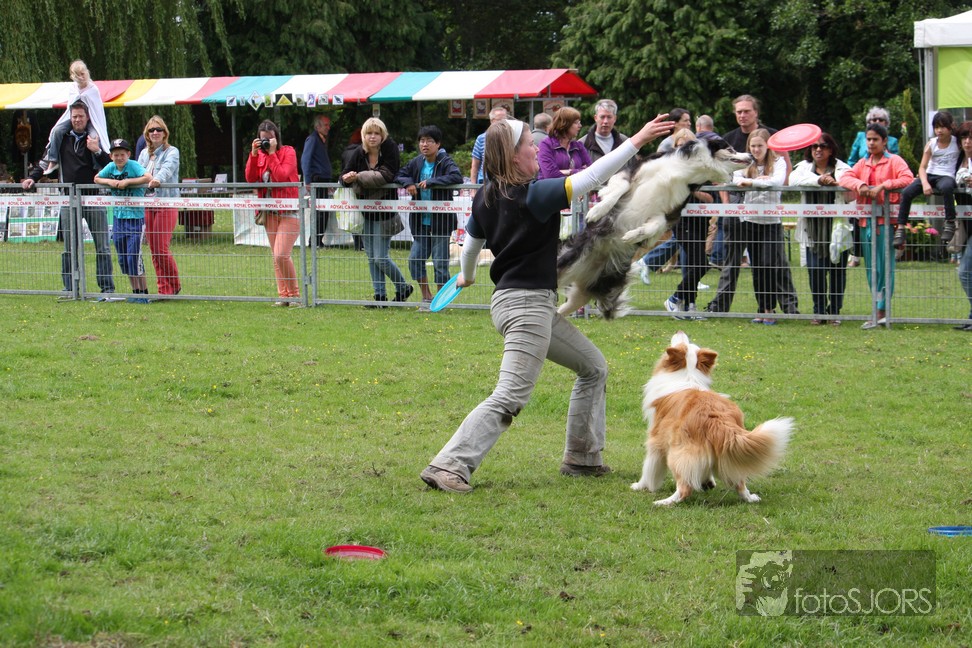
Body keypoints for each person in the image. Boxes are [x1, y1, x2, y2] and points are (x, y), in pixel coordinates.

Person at [419, 113, 676, 494]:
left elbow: (470, 247)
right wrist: (638, 139)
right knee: (510, 393)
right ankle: (449, 464)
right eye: (529, 144)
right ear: (513, 156)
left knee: (593, 368)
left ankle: (582, 457)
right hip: (527, 307)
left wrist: (467, 276)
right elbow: (593, 177)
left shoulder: (485, 196)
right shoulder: (535, 195)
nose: (536, 148)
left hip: (514, 303)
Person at [22, 101, 115, 298]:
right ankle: (70, 288)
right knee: (69, 247)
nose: (77, 120)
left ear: (87, 117)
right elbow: (46, 161)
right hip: (68, 198)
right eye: (74, 117)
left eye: (81, 116)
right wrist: (32, 177)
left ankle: (107, 289)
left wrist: (97, 151)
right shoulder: (61, 138)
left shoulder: (95, 137)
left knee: (103, 246)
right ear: (69, 118)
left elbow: (110, 166)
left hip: (93, 198)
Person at [838, 123, 914, 329]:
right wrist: (860, 185)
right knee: (871, 268)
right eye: (868, 139)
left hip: (886, 223)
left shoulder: (895, 161)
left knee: (884, 266)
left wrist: (883, 185)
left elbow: (908, 178)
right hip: (865, 223)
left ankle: (882, 310)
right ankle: (876, 308)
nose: (871, 143)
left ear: (884, 141)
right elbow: (845, 177)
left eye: (875, 139)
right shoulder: (862, 163)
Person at [340, 117, 409, 305]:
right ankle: (379, 296)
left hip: (385, 212)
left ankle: (403, 287)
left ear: (382, 135)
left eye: (376, 133)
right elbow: (343, 176)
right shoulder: (358, 152)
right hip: (365, 211)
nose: (372, 137)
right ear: (363, 135)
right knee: (371, 257)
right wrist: (347, 178)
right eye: (369, 133)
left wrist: (357, 177)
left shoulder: (390, 148)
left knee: (380, 257)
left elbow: (387, 175)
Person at [394, 125, 463, 305]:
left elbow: (456, 177)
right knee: (415, 259)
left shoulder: (445, 161)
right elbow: (399, 174)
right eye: (422, 141)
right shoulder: (416, 162)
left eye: (429, 141)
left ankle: (441, 300)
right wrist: (408, 183)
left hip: (441, 221)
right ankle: (427, 296)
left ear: (438, 144)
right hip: (420, 221)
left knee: (440, 262)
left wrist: (432, 181)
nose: (425, 144)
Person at [733, 129, 795, 324]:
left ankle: (769, 308)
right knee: (757, 267)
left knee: (769, 265)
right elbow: (735, 178)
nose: (756, 149)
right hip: (750, 220)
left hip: (771, 222)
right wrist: (757, 181)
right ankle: (762, 308)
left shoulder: (778, 162)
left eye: (760, 145)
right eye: (753, 146)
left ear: (768, 146)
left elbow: (776, 181)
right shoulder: (745, 162)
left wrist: (750, 183)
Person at [790, 132, 852, 325]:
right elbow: (793, 181)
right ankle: (819, 311)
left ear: (831, 150)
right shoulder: (803, 168)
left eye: (823, 146)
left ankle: (834, 312)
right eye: (814, 146)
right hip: (812, 228)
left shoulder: (843, 168)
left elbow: (850, 186)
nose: (818, 149)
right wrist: (820, 180)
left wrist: (836, 182)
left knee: (837, 272)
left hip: (836, 227)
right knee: (815, 270)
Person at [245, 119, 301, 307]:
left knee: (281, 254)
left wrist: (271, 154)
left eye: (270, 138)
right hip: (269, 212)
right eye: (263, 139)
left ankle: (295, 295)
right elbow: (250, 178)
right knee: (276, 255)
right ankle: (283, 295)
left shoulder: (288, 152)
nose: (267, 142)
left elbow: (281, 176)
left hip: (289, 211)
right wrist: (253, 155)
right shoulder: (259, 156)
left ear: (277, 137)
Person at [661, 129, 716, 320]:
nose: (683, 149)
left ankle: (690, 306)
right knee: (701, 264)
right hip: (681, 221)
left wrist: (693, 190)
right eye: (679, 145)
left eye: (687, 145)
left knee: (695, 264)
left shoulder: (703, 169)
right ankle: (675, 298)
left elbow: (711, 198)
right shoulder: (670, 168)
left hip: (700, 220)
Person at [94, 139, 152, 303]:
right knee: (124, 258)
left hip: (135, 218)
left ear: (128, 154)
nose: (119, 158)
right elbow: (97, 178)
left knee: (134, 257)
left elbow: (148, 177)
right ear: (111, 156)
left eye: (122, 154)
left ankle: (144, 293)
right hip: (118, 218)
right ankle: (135, 291)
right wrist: (110, 182)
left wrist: (128, 182)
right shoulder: (110, 167)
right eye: (116, 155)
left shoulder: (133, 166)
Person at [894, 110, 959, 248]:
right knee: (906, 192)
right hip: (929, 174)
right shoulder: (931, 144)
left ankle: (950, 222)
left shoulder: (957, 142)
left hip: (946, 175)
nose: (939, 130)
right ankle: (900, 228)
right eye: (936, 127)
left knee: (947, 187)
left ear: (950, 127)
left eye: (943, 127)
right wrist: (924, 183)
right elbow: (922, 167)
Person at [40, 60, 111, 175]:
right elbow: (70, 107)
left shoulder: (93, 89)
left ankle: (97, 166)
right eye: (78, 75)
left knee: (94, 137)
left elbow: (97, 109)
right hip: (73, 118)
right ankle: (53, 160)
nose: (81, 77)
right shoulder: (72, 88)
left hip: (91, 120)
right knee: (56, 131)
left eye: (82, 74)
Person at [137, 115, 181, 296]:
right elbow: (138, 172)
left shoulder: (172, 151)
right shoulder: (143, 154)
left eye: (158, 129)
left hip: (166, 203)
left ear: (164, 133)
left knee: (161, 248)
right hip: (148, 204)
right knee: (153, 249)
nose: (155, 132)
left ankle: (174, 283)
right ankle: (163, 289)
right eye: (151, 130)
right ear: (147, 134)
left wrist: (156, 180)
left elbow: (167, 169)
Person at [301, 114, 333, 245]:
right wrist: (308, 181)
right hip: (317, 181)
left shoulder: (320, 139)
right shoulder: (313, 139)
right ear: (317, 126)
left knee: (323, 211)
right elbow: (305, 160)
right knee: (320, 211)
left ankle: (317, 240)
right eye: (326, 125)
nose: (328, 127)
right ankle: (315, 241)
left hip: (322, 180)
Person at [537, 107, 592, 180]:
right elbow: (550, 175)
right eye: (576, 123)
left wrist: (569, 171)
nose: (580, 126)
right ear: (565, 124)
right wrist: (579, 171)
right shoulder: (546, 144)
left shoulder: (578, 146)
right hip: (553, 187)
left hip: (576, 187)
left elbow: (590, 172)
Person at [953, 121, 972, 331]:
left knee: (965, 271)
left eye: (971, 138)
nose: (967, 142)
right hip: (966, 223)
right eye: (964, 138)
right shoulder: (957, 159)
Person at [469, 106, 508, 184]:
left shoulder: (510, 138)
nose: (503, 123)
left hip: (505, 182)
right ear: (492, 121)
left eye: (505, 120)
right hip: (484, 183)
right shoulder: (481, 139)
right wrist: (473, 187)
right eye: (500, 120)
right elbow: (474, 166)